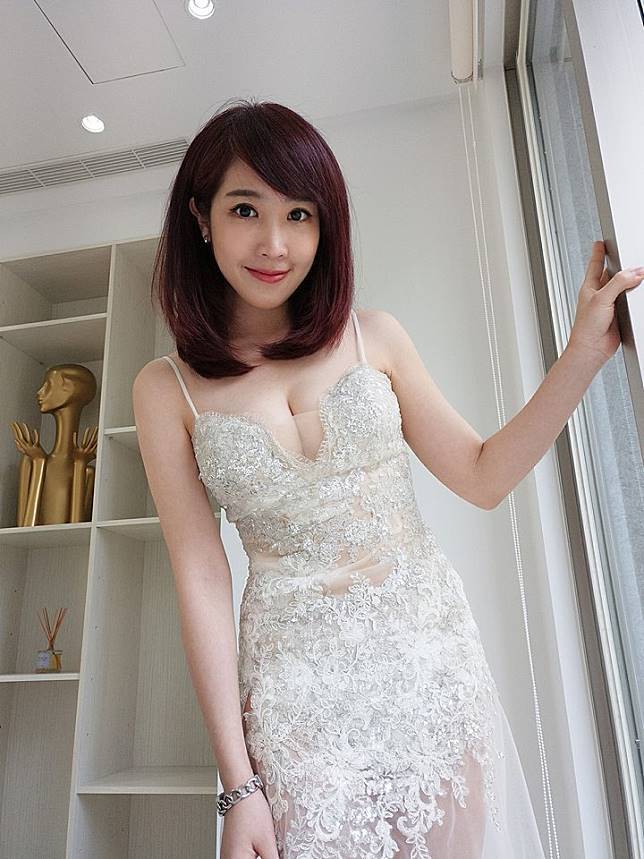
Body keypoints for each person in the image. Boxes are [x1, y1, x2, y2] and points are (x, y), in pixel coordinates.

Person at [132, 98, 643, 859]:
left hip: (426, 664)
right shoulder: (165, 388)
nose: (275, 243)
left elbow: (481, 474)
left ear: (325, 227)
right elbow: (202, 577)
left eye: (300, 214)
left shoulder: (375, 337)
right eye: (245, 209)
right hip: (294, 695)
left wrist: (583, 358)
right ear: (200, 219)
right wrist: (238, 784)